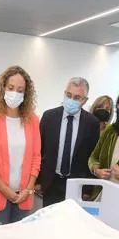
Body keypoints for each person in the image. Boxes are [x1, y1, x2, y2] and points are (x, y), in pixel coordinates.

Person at [0, 66, 40, 225]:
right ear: (3, 88)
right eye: (11, 88)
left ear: (26, 94)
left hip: (24, 196)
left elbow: (36, 158)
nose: (15, 93)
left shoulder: (32, 120)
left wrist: (29, 189)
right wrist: (5, 190)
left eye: (20, 90)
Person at [38, 77, 100, 207]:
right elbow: (39, 150)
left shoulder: (92, 123)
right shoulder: (49, 117)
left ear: (84, 100)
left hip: (77, 185)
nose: (71, 100)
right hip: (51, 182)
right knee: (49, 223)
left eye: (77, 97)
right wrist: (38, 181)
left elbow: (93, 157)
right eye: (68, 95)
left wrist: (87, 189)